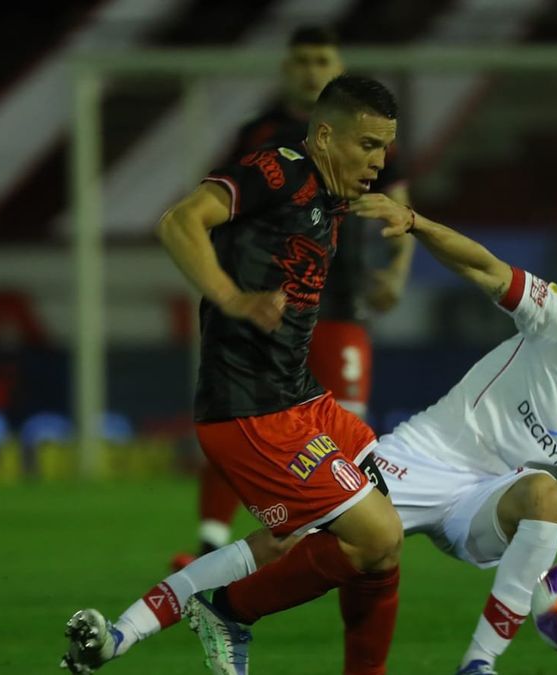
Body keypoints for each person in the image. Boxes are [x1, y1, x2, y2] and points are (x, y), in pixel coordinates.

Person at [66, 198, 557, 675]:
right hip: (422, 457)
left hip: (486, 510)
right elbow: (486, 268)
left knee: (548, 494)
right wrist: (420, 224)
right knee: (290, 543)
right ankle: (125, 633)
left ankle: (479, 664)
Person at [61, 75, 407, 675]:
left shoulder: (329, 194)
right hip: (251, 410)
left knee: (350, 521)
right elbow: (179, 221)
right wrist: (231, 297)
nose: (378, 161)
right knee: (375, 537)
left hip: (300, 399)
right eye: (368, 145)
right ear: (325, 135)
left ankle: (121, 636)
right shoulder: (278, 171)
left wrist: (409, 227)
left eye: (384, 148)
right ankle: (230, 613)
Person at [179, 25, 415, 571]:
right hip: (264, 315)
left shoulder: (365, 133)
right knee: (247, 414)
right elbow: (197, 214)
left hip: (338, 305)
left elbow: (397, 198)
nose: (311, 70)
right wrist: (231, 293)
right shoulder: (264, 144)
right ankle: (215, 545)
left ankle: (291, 551)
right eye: (302, 60)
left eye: (322, 60)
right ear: (287, 69)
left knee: (352, 458)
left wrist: (397, 269)